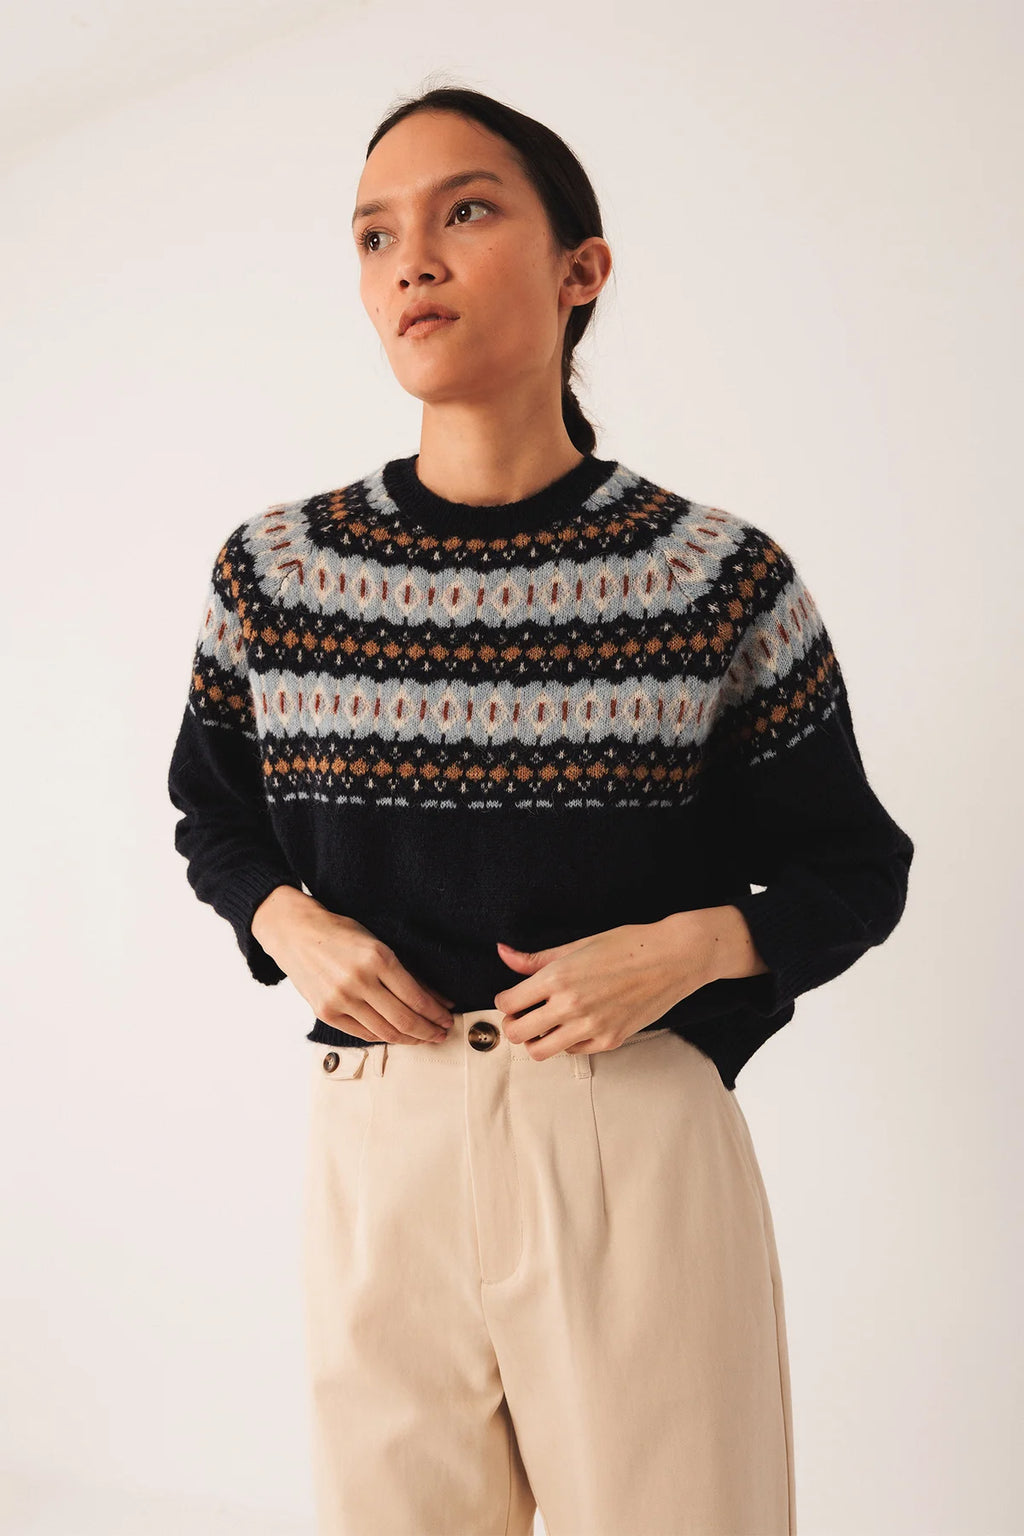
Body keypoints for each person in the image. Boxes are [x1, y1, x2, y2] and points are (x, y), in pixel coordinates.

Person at [167, 86, 914, 1536]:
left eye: (466, 210)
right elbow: (213, 814)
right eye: (375, 234)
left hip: (629, 1131)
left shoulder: (711, 577)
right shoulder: (279, 573)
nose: (412, 260)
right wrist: (286, 923)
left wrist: (692, 947)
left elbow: (854, 866)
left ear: (584, 269)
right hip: (377, 1138)